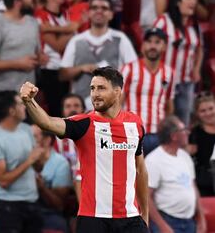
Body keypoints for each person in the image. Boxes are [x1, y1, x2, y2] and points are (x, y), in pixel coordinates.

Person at [20, 67, 149, 232]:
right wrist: (28, 101)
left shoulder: (135, 124)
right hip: (93, 220)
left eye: (101, 88)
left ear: (117, 92)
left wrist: (144, 215)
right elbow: (47, 123)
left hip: (131, 219)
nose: (95, 94)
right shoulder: (84, 124)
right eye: (92, 88)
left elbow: (141, 170)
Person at [60, 0, 137, 110]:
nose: (99, 11)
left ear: (111, 14)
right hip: (81, 109)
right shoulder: (76, 40)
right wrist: (81, 68)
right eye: (95, 8)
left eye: (104, 8)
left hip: (110, 108)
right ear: (88, 13)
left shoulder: (121, 39)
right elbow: (62, 74)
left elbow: (134, 72)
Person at [0, 91, 44, 233]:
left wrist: (38, 160)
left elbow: (38, 167)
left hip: (32, 201)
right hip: (8, 206)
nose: (24, 107)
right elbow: (3, 181)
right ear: (11, 110)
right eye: (20, 104)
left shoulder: (26, 130)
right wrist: (29, 161)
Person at [153, 0, 204, 126]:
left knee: (183, 121)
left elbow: (199, 48)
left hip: (186, 81)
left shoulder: (194, 26)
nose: (193, 2)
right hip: (164, 80)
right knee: (163, 119)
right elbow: (151, 46)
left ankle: (181, 147)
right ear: (177, 1)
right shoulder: (163, 21)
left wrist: (196, 69)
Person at [146, 115, 206, 233]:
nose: (188, 133)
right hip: (168, 221)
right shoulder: (154, 160)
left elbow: (193, 188)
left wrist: (201, 218)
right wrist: (162, 226)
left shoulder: (184, 156)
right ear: (174, 136)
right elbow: (146, 198)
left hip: (189, 221)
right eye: (184, 130)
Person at [121, 28, 175, 155]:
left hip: (158, 134)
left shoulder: (169, 72)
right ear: (143, 46)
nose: (152, 46)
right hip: (132, 132)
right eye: (149, 41)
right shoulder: (129, 69)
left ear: (164, 47)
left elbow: (169, 105)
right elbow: (118, 102)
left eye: (157, 42)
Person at [34, 0, 72, 117]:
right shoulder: (40, 15)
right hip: (51, 70)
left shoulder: (68, 13)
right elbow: (57, 45)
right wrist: (73, 30)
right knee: (57, 115)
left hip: (69, 70)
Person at [32, 124, 73, 233]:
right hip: (22, 211)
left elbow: (59, 205)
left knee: (58, 223)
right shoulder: (22, 159)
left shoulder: (60, 164)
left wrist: (42, 188)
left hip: (48, 213)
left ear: (47, 140)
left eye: (34, 137)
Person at [55, 93, 85, 201]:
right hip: (62, 185)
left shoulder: (94, 132)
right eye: (68, 106)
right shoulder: (55, 138)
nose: (72, 109)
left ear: (84, 109)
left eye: (76, 105)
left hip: (87, 182)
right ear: (63, 110)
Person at [188, 92, 215, 196]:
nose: (208, 113)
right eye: (203, 111)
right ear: (197, 114)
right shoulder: (194, 134)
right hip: (205, 185)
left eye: (211, 108)